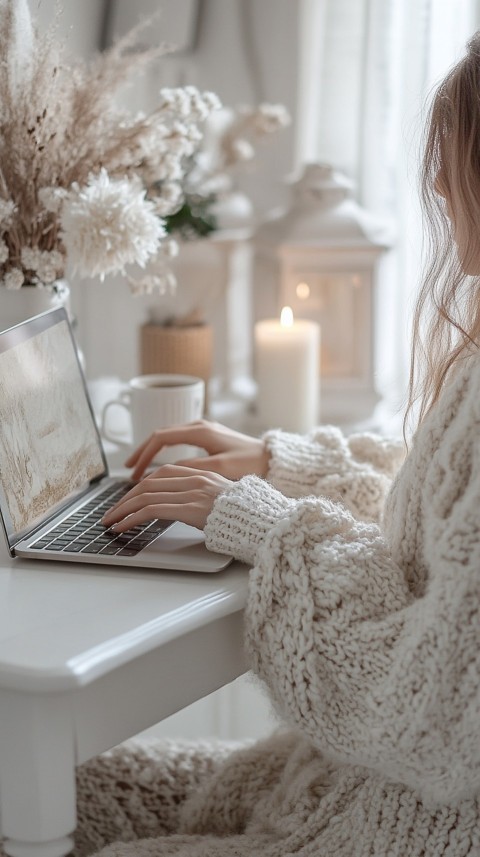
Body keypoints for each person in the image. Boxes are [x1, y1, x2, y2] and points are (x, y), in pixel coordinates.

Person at [75, 33, 480, 857]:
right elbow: (440, 537)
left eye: (455, 159)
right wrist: (279, 463)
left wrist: (262, 523)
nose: (437, 184)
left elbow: (434, 710)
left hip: (399, 827)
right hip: (338, 784)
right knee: (55, 786)